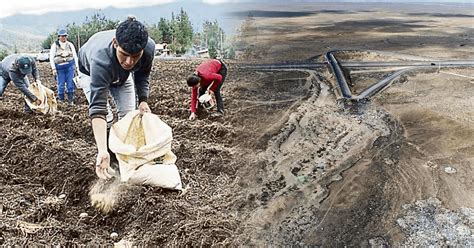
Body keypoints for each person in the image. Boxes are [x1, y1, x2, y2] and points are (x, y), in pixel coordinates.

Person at [77, 16, 155, 180]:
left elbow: (142, 75)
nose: (129, 62)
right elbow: (98, 109)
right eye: (124, 54)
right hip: (90, 73)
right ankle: (110, 157)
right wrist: (102, 150)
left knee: (128, 116)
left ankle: (125, 158)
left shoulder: (148, 48)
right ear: (115, 43)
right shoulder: (100, 59)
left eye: (135, 56)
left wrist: (143, 100)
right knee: (109, 118)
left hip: (122, 76)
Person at [49, 28, 79, 104]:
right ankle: (61, 100)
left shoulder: (70, 45)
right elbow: (51, 58)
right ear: (59, 37)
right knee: (61, 84)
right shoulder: (54, 45)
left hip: (69, 67)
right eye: (62, 36)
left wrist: (77, 67)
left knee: (70, 84)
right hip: (60, 68)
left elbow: (75, 56)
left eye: (65, 36)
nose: (64, 38)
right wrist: (53, 69)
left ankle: (70, 100)